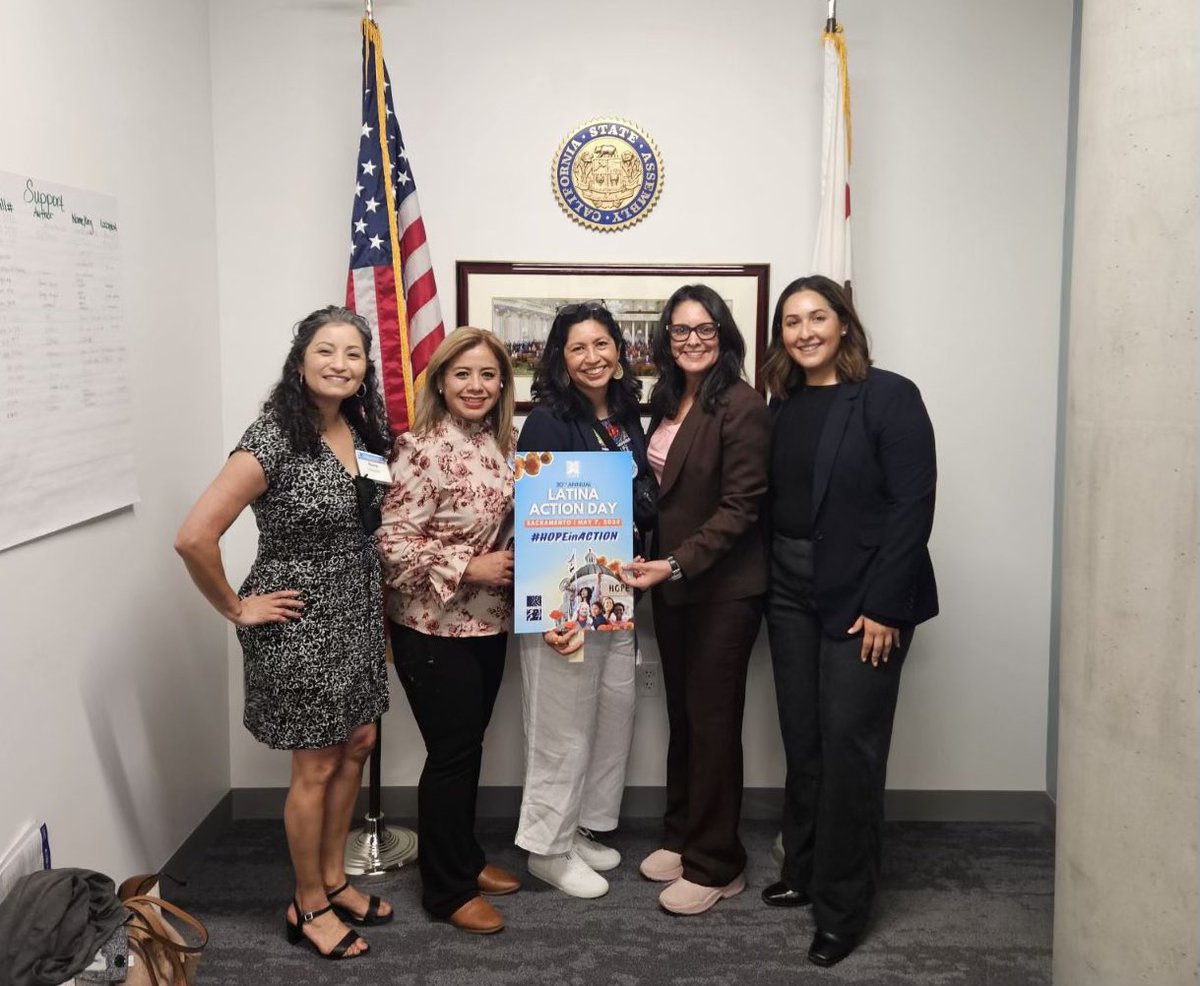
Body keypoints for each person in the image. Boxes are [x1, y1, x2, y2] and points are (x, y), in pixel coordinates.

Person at [175, 305, 392, 961]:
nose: (339, 364)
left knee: (357, 742)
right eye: (326, 351)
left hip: (356, 608)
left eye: (353, 354)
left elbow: (370, 519)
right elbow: (193, 536)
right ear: (300, 361)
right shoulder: (272, 437)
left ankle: (333, 877)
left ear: (365, 368)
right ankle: (307, 903)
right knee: (316, 764)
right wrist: (237, 608)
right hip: (300, 619)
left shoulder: (364, 430)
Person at [759, 275, 938, 967]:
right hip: (789, 591)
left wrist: (885, 606)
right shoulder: (784, 404)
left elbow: (912, 506)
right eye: (792, 321)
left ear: (843, 323)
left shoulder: (890, 395)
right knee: (804, 742)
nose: (804, 331)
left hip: (866, 601)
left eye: (817, 318)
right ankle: (803, 871)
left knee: (849, 752)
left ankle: (843, 908)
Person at [622, 284, 769, 915]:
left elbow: (742, 509)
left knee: (712, 724)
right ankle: (683, 837)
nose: (692, 341)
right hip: (673, 583)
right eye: (680, 331)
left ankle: (719, 863)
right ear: (665, 339)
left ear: (724, 334)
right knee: (684, 718)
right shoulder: (668, 399)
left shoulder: (742, 404)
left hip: (722, 590)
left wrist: (675, 564)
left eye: (704, 329)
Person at [375, 326, 521, 935]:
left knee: (467, 748)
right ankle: (446, 890)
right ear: (439, 379)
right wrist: (469, 565)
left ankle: (462, 856)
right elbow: (388, 542)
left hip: (489, 623)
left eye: (488, 375)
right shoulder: (418, 449)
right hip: (431, 628)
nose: (476, 385)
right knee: (451, 755)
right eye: (463, 373)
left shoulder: (501, 443)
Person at [514, 300, 653, 898]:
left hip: (614, 594)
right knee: (561, 728)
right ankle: (546, 848)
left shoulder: (626, 417)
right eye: (577, 348)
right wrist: (550, 612)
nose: (592, 357)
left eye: (601, 344)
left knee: (611, 715)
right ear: (561, 360)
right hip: (564, 602)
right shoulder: (547, 421)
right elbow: (535, 517)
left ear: (619, 352)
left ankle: (579, 830)